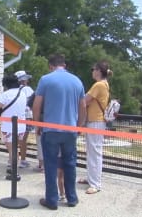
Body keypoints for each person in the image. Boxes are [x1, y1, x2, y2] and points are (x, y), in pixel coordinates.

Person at [32, 54, 86, 210]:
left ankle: (52, 200)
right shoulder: (77, 81)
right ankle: (72, 198)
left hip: (51, 130)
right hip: (70, 130)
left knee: (50, 165)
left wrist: (37, 124)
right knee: (70, 164)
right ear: (65, 65)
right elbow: (83, 106)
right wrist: (79, 126)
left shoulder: (45, 79)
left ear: (51, 66)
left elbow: (37, 105)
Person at [78, 60, 112, 194]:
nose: (92, 71)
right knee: (92, 152)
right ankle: (91, 178)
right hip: (95, 121)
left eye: (93, 69)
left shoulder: (98, 85)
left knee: (95, 153)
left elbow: (85, 100)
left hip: (95, 121)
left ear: (98, 71)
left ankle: (96, 184)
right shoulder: (103, 84)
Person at [0, 74, 26, 180]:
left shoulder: (6, 94)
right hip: (21, 125)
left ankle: (14, 173)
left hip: (9, 126)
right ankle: (13, 167)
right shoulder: (23, 93)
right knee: (15, 148)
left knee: (12, 150)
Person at [14, 70, 35, 169]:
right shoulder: (27, 89)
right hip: (27, 116)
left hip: (17, 116)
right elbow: (32, 102)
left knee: (17, 138)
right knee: (23, 140)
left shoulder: (14, 90)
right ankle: (22, 160)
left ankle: (14, 158)